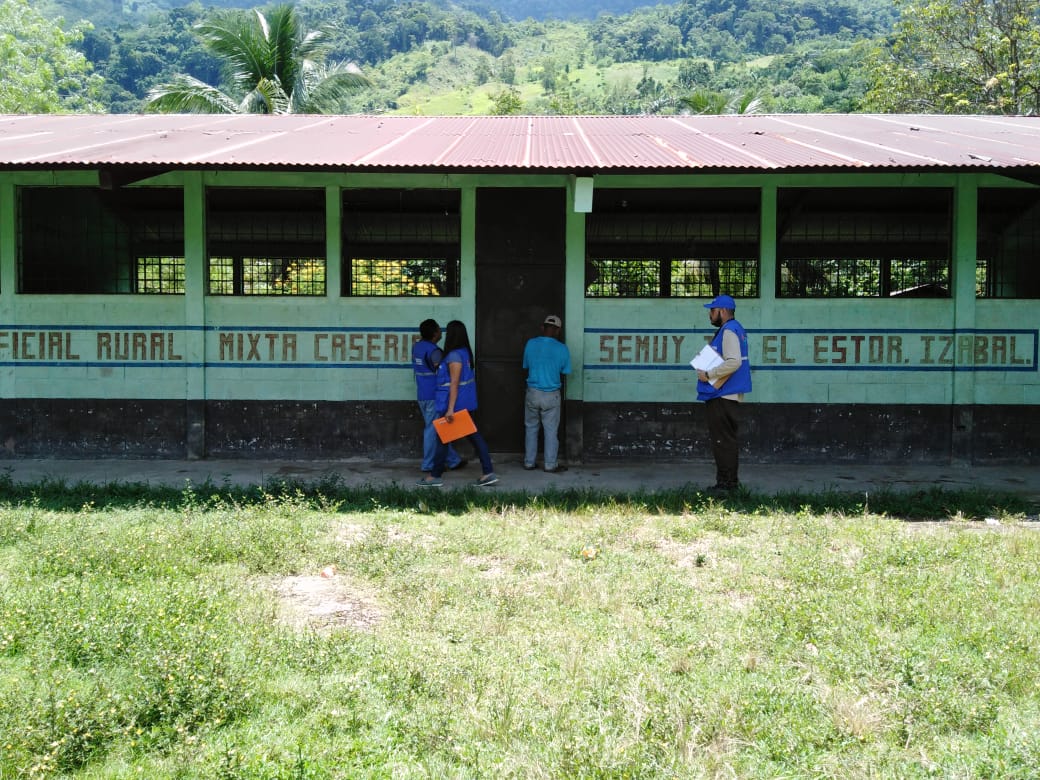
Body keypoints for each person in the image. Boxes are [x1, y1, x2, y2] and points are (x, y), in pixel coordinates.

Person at [416, 320, 498, 487]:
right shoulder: (464, 353)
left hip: (455, 405)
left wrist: (451, 409)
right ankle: (485, 472)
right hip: (462, 403)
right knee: (451, 438)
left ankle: (436, 476)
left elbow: (454, 383)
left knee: (460, 438)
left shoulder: (454, 356)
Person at [695, 294, 752, 494]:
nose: (710, 314)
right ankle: (727, 483)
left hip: (723, 395)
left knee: (723, 442)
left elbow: (733, 362)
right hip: (726, 395)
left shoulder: (729, 331)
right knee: (725, 441)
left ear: (723, 311)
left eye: (712, 310)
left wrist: (708, 374)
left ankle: (726, 486)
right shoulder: (733, 329)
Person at [412, 319, 465, 476]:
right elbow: (442, 371)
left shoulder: (417, 347)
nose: (441, 332)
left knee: (438, 427)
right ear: (435, 334)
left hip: (422, 393)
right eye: (439, 330)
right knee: (432, 429)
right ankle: (428, 464)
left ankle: (453, 460)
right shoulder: (435, 351)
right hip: (433, 394)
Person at [522, 314, 572, 473]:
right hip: (551, 395)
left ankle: (529, 462)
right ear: (558, 331)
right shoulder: (562, 348)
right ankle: (550, 464)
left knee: (531, 428)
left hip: (533, 392)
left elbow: (526, 365)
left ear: (542, 328)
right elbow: (566, 370)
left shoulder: (530, 344)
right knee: (551, 431)